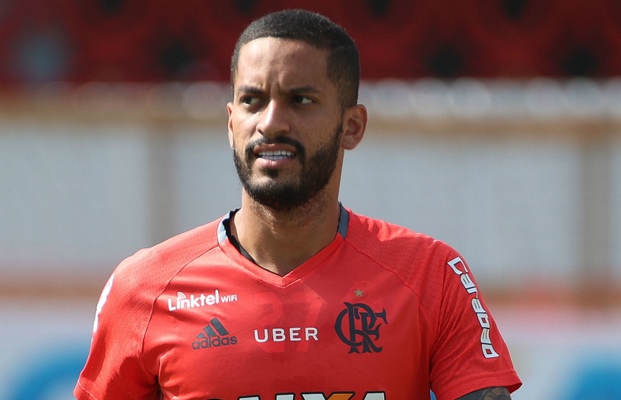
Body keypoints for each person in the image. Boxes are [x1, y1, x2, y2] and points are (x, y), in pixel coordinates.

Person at [74, 9, 521, 400]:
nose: (270, 123)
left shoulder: (430, 275)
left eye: (300, 100)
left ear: (352, 126)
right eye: (252, 101)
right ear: (231, 124)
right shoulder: (144, 288)